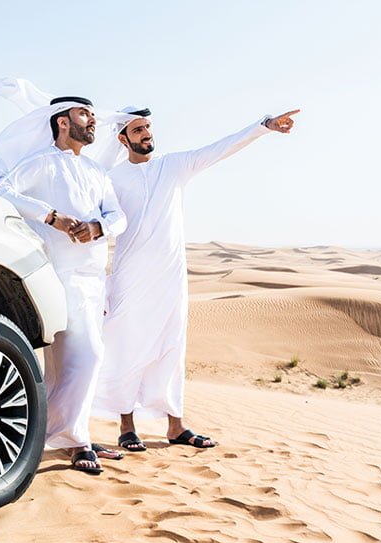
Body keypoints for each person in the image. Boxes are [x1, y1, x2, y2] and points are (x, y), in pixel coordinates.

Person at [94, 106, 299, 451]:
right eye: (138, 130)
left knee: (173, 347)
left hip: (171, 277)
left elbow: (221, 148)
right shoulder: (111, 179)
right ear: (122, 138)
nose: (146, 134)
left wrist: (262, 126)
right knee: (127, 346)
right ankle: (126, 427)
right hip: (129, 276)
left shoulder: (174, 166)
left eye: (147, 127)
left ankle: (176, 425)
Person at [0, 92, 127, 473]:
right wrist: (50, 217)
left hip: (94, 277)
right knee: (86, 357)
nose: (91, 120)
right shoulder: (39, 164)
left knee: (71, 363)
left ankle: (68, 434)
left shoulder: (96, 172)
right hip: (59, 275)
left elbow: (118, 215)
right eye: (83, 114)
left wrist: (98, 227)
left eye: (91, 114)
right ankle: (69, 438)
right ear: (62, 121)